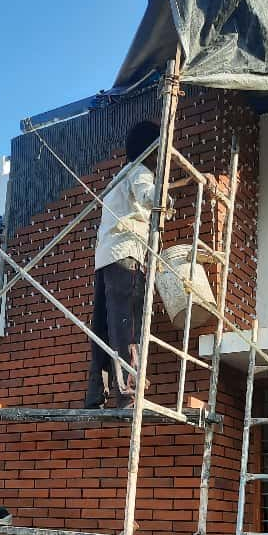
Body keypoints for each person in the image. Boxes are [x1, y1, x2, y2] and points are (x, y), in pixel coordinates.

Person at [84, 120, 162, 409]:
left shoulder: (117, 178)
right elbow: (149, 195)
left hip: (105, 259)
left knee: (103, 327)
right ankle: (129, 394)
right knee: (127, 326)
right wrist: (165, 199)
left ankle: (96, 394)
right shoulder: (140, 171)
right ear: (151, 148)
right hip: (126, 256)